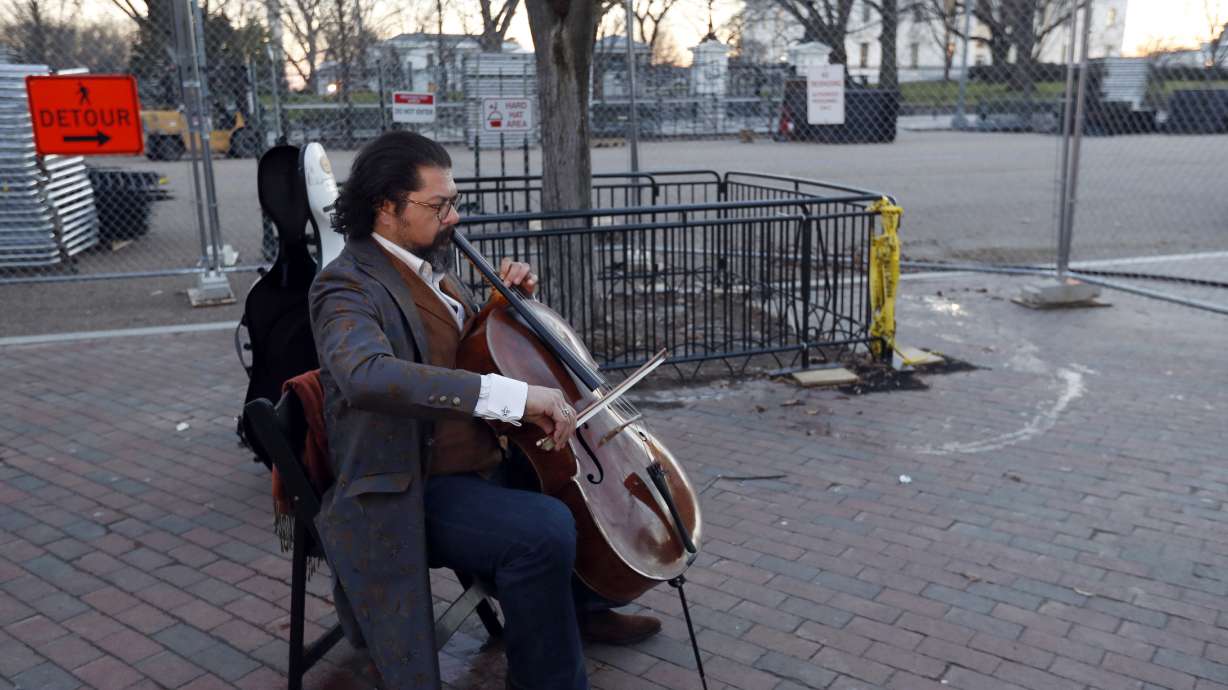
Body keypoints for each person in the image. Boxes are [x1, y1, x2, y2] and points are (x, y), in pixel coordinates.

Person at [309, 131, 661, 690]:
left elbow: (454, 350)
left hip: (478, 461)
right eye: (438, 205)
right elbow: (367, 374)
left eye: (454, 202)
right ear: (385, 207)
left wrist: (500, 309)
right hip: (411, 483)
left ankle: (583, 610)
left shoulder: (434, 270)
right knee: (542, 529)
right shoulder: (345, 286)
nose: (453, 218)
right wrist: (515, 397)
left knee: (576, 494)